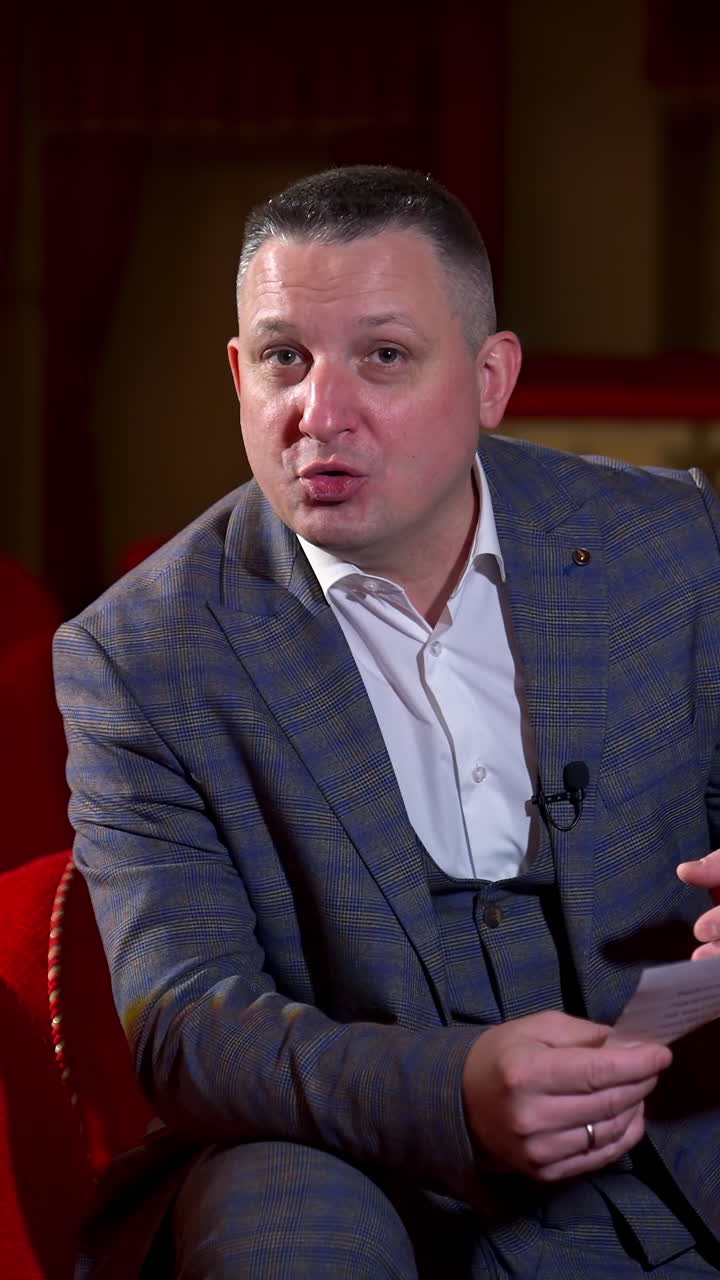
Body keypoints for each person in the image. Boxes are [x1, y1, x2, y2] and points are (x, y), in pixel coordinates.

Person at [54, 165, 720, 1278]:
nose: (319, 413)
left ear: (491, 377)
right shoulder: (137, 655)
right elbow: (188, 1018)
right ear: (237, 375)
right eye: (282, 359)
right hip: (367, 1163)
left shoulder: (669, 540)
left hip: (687, 1119)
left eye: (385, 356)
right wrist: (449, 1093)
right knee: (279, 1215)